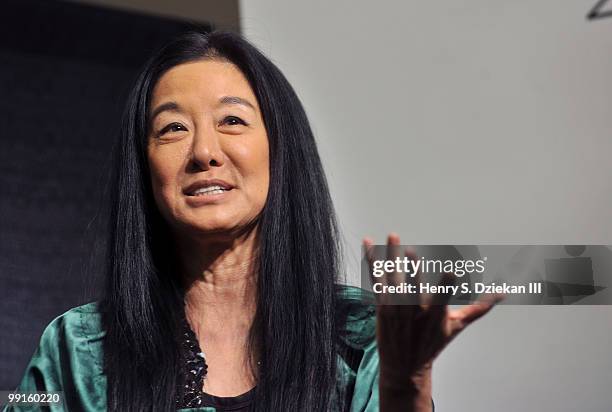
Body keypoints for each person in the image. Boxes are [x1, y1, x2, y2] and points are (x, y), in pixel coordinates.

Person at [6, 30, 501, 411]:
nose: (203, 152)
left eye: (233, 121)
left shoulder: (360, 331)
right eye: (173, 128)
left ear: (280, 151)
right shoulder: (77, 347)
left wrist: (405, 385)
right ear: (144, 167)